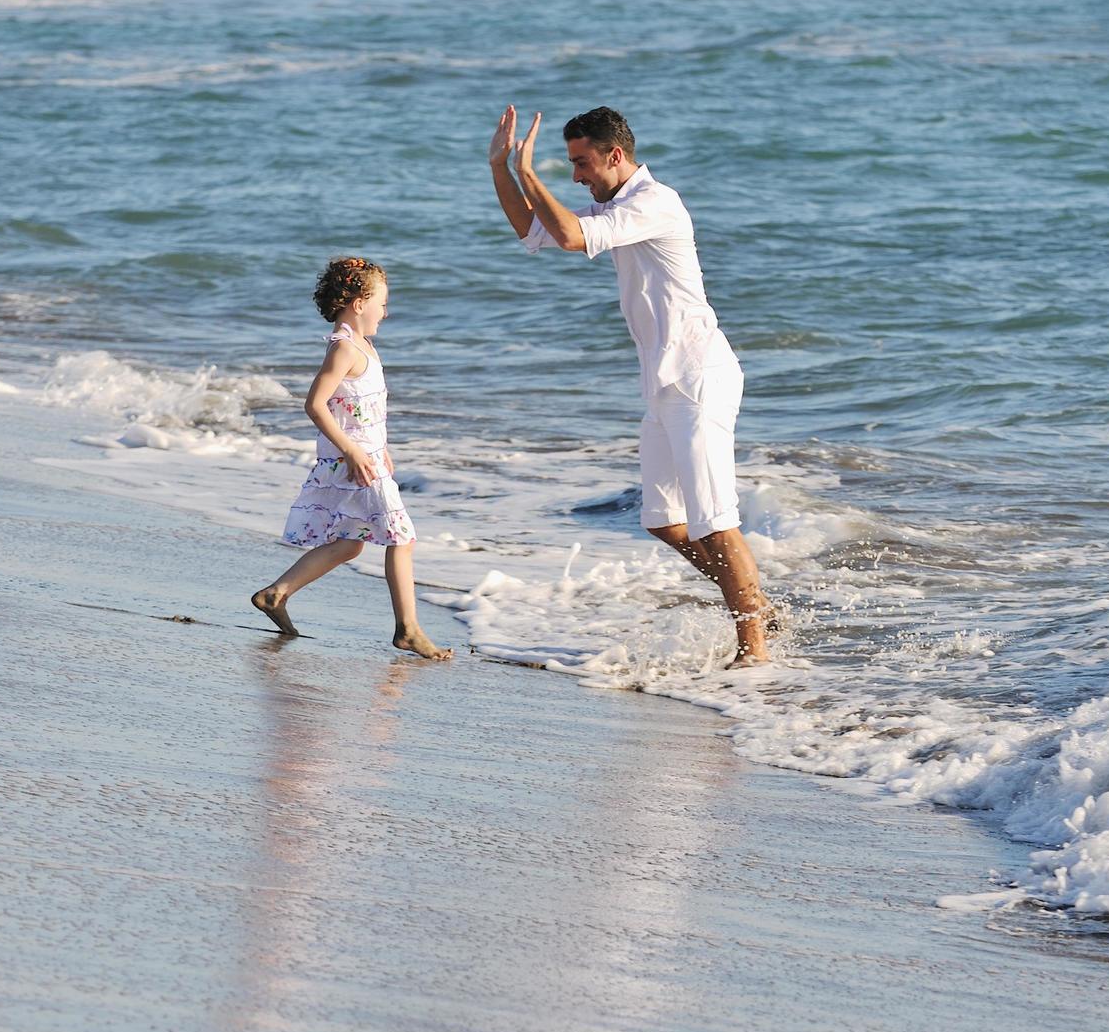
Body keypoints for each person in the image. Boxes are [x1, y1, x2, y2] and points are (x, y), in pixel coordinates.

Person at [487, 104, 771, 666]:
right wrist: (501, 166)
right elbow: (536, 230)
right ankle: (754, 603)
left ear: (615, 156)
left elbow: (569, 237)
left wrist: (530, 173)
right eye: (571, 164)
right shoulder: (617, 205)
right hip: (664, 383)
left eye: (582, 162)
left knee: (716, 521)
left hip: (698, 379)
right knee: (664, 521)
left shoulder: (655, 203)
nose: (577, 175)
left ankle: (755, 650)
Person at [247, 256, 453, 661]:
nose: (386, 312)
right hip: (354, 463)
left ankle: (276, 594)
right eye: (381, 302)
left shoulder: (364, 346)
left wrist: (380, 445)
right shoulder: (343, 348)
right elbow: (316, 404)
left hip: (366, 458)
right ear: (359, 303)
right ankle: (407, 629)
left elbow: (361, 407)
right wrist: (354, 450)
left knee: (349, 543)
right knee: (402, 538)